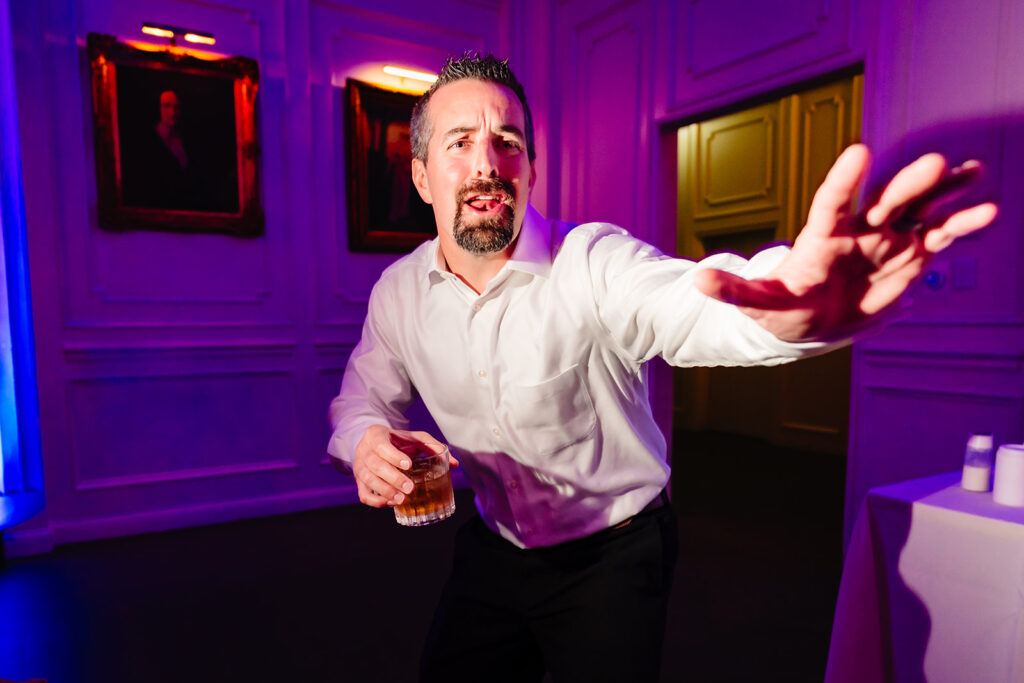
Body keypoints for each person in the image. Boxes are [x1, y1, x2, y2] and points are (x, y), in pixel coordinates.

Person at [327, 54, 997, 682]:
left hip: (612, 554)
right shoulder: (398, 293)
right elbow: (362, 397)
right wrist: (363, 439)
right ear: (419, 175)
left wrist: (786, 306)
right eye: (459, 143)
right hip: (494, 546)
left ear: (530, 167)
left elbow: (687, 301)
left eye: (508, 141)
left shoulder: (589, 259)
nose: (488, 162)